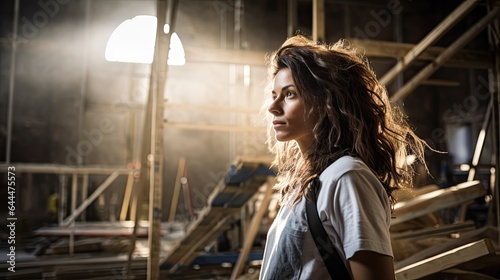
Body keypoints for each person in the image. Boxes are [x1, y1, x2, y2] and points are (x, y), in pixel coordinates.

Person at [259, 35, 428, 280]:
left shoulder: (348, 177)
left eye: (290, 94)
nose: (273, 106)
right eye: (274, 94)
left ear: (326, 101)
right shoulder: (306, 183)